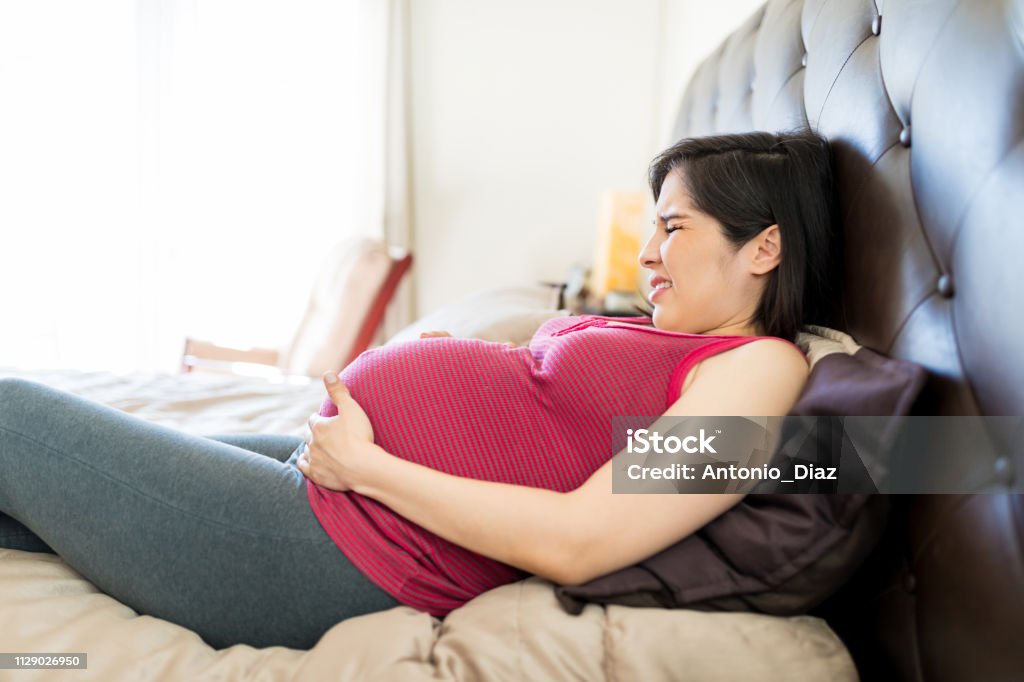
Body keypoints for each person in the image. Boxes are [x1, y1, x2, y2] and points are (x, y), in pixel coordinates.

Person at [0, 129, 837, 650]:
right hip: (337, 500)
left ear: (763, 249)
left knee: (11, 415)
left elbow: (582, 539)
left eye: (673, 226)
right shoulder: (674, 341)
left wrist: (371, 468)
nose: (648, 252)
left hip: (345, 550)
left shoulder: (761, 371)